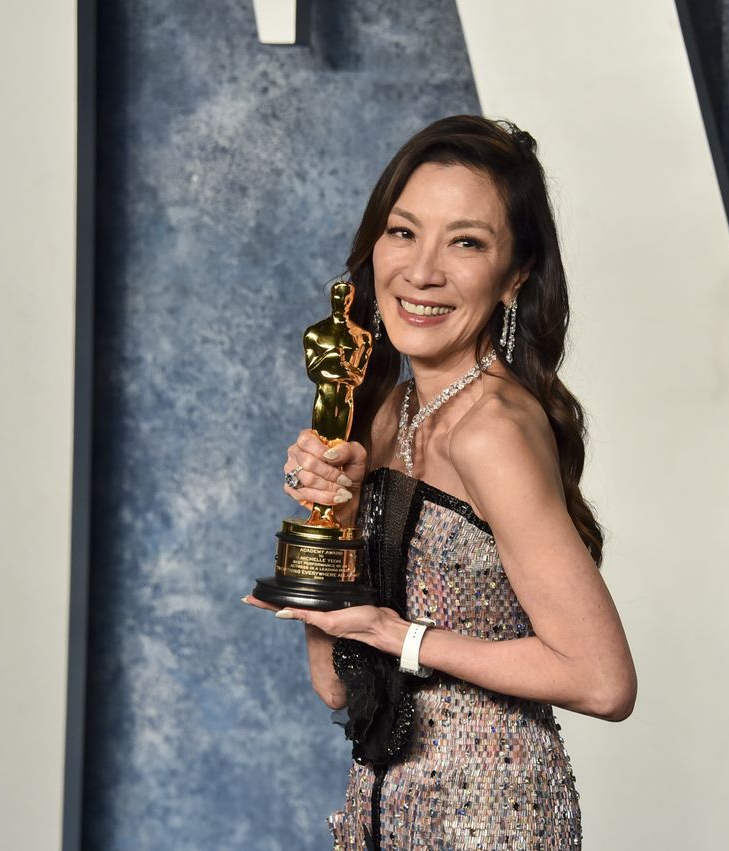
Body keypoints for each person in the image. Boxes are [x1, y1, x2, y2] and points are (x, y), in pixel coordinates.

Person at [245, 114, 636, 850]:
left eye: (466, 241)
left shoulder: (490, 429)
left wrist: (404, 636)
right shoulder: (392, 411)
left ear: (516, 272)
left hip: (489, 818)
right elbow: (336, 686)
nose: (422, 271)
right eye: (403, 232)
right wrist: (334, 516)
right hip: (381, 814)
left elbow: (602, 677)